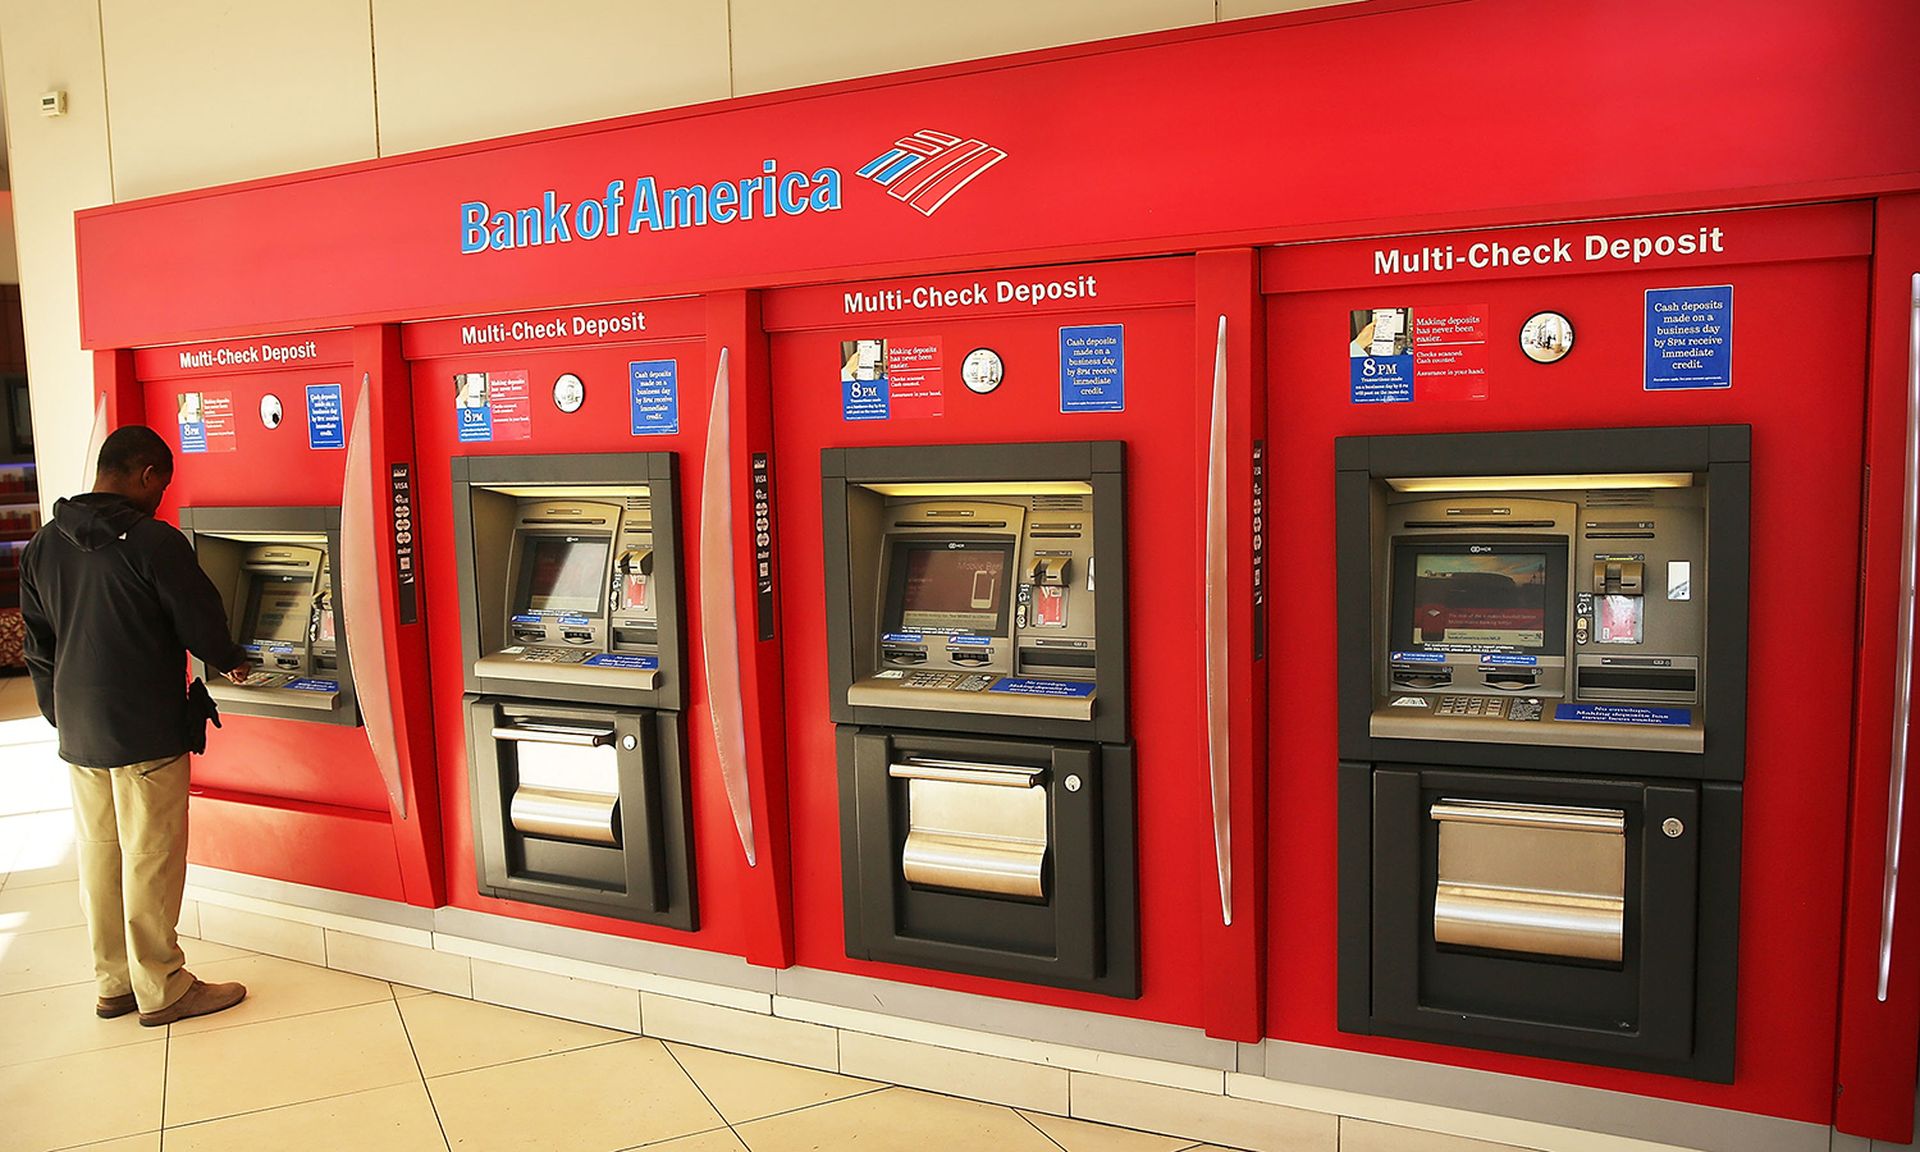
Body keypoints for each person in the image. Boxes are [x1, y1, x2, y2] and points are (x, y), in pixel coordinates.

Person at [20, 426, 253, 1026]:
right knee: (151, 854)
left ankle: (115, 981)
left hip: (80, 730)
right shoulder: (153, 542)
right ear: (147, 474)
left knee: (100, 855)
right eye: (163, 485)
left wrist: (60, 712)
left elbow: (38, 645)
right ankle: (165, 984)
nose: (162, 498)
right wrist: (233, 659)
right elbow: (198, 620)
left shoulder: (44, 544)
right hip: (146, 726)